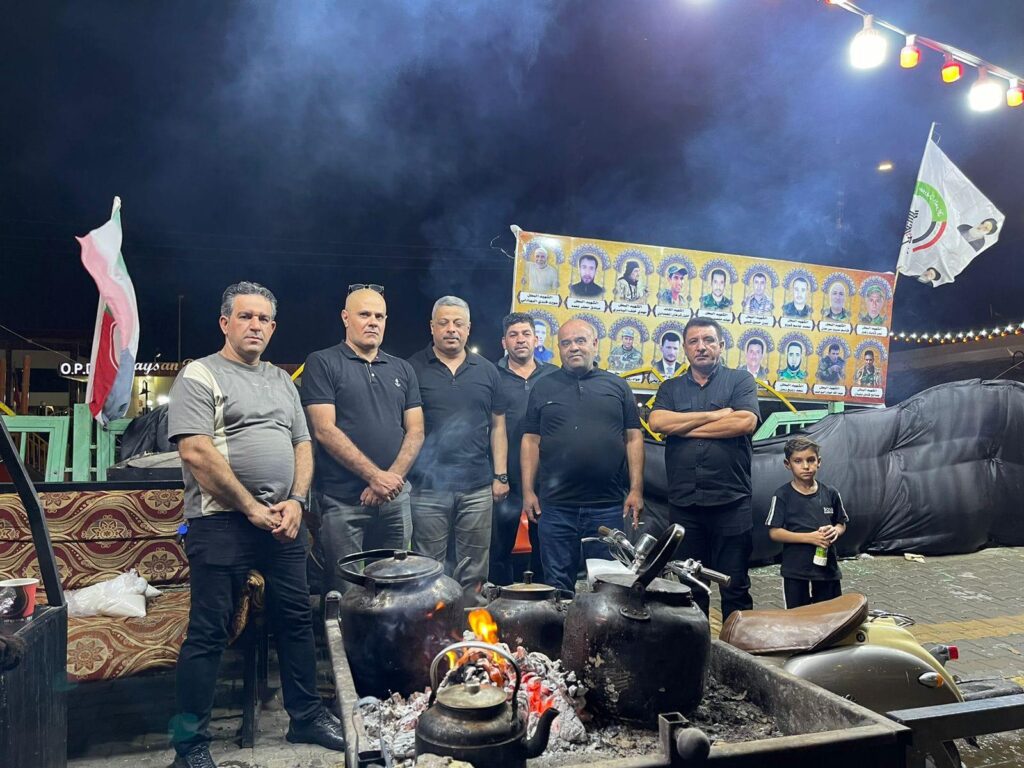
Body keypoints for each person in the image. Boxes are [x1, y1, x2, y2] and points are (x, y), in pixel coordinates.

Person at [167, 282, 344, 768]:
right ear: (225, 323)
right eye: (245, 316)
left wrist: (296, 501)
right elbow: (195, 450)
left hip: (282, 522)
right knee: (208, 632)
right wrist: (249, 506)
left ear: (273, 327)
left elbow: (302, 443)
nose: (255, 326)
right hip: (221, 522)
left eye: (264, 319)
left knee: (296, 620)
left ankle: (305, 716)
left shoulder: (282, 380)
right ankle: (189, 746)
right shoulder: (200, 374)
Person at [300, 285, 425, 593]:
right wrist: (374, 477)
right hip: (343, 501)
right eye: (364, 314)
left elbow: (416, 430)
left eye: (379, 316)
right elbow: (324, 429)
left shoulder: (402, 368)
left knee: (397, 588)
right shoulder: (322, 362)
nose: (373, 322)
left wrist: (389, 481)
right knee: (347, 590)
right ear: (346, 317)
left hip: (395, 500)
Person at [520, 318, 644, 594]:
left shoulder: (617, 386)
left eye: (580, 341)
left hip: (607, 506)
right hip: (555, 507)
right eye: (566, 343)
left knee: (608, 586)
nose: (573, 347)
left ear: (595, 344)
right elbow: (530, 440)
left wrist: (636, 489)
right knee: (556, 586)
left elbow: (633, 438)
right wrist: (528, 491)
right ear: (559, 348)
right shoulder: (543, 387)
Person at [647, 317, 759, 621]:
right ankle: (694, 645)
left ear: (720, 346)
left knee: (735, 585)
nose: (701, 347)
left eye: (708, 340)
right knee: (689, 587)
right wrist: (715, 416)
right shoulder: (671, 388)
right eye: (694, 341)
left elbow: (745, 422)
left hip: (731, 502)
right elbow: (657, 422)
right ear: (685, 348)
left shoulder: (740, 381)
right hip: (685, 504)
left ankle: (737, 647)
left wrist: (683, 427)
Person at [407, 296, 508, 602]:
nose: (451, 329)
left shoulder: (487, 371)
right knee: (427, 567)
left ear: (468, 328)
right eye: (444, 323)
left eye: (458, 323)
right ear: (432, 327)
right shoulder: (412, 368)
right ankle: (429, 623)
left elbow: (498, 426)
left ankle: (469, 622)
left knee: (474, 569)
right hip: (427, 489)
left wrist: (500, 476)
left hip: (477, 487)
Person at [491, 313, 557, 585]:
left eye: (526, 334)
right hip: (503, 478)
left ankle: (542, 601)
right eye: (513, 335)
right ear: (504, 342)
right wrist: (498, 475)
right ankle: (497, 599)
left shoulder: (554, 376)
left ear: (536, 339)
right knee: (498, 549)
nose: (520, 340)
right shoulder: (491, 375)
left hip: (545, 479)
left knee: (543, 548)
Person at [765, 437, 848, 609]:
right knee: (798, 619)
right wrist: (810, 538)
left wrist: (836, 531)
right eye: (798, 461)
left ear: (819, 462)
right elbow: (774, 532)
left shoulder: (830, 493)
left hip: (827, 571)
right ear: (787, 464)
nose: (806, 466)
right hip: (796, 571)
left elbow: (841, 523)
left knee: (830, 617)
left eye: (811, 460)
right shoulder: (782, 495)